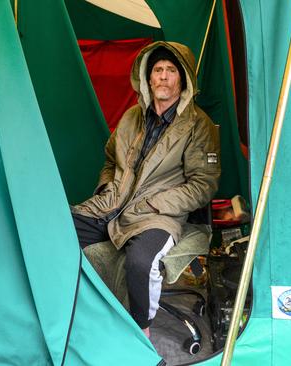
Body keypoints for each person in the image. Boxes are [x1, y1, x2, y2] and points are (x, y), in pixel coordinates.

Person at [71, 41, 220, 337]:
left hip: (158, 215)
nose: (163, 76)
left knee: (140, 260)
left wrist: (156, 203)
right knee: (57, 229)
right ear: (147, 78)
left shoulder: (198, 126)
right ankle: (82, 314)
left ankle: (142, 334)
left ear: (183, 78)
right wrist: (105, 188)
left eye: (171, 70)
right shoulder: (130, 118)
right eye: (157, 70)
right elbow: (111, 159)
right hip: (113, 205)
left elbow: (203, 186)